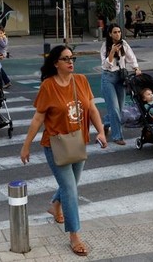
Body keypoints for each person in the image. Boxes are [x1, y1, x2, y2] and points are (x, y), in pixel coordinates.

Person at [20, 45, 107, 257]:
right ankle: (74, 235)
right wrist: (26, 145)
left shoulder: (81, 81)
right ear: (55, 63)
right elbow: (38, 119)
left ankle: (55, 206)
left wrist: (101, 132)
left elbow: (92, 108)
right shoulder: (48, 86)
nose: (71, 62)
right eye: (65, 58)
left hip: (78, 141)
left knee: (71, 185)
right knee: (70, 189)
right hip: (55, 144)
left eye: (72, 58)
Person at [100, 24, 141, 146]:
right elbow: (105, 65)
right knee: (114, 108)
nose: (118, 34)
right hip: (108, 78)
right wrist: (112, 52)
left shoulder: (124, 44)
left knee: (120, 109)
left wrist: (136, 68)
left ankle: (107, 123)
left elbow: (131, 57)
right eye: (115, 32)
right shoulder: (105, 46)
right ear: (110, 34)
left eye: (119, 32)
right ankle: (117, 136)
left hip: (121, 78)